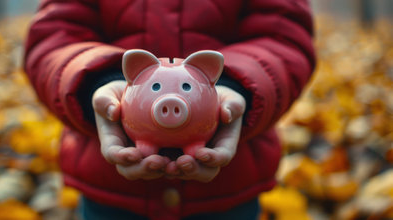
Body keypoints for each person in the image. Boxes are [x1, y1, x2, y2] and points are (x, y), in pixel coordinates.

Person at [24, 0, 315, 219]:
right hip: (108, 188)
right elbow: (53, 35)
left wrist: (231, 87)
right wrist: (97, 84)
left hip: (231, 185)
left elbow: (283, 34)